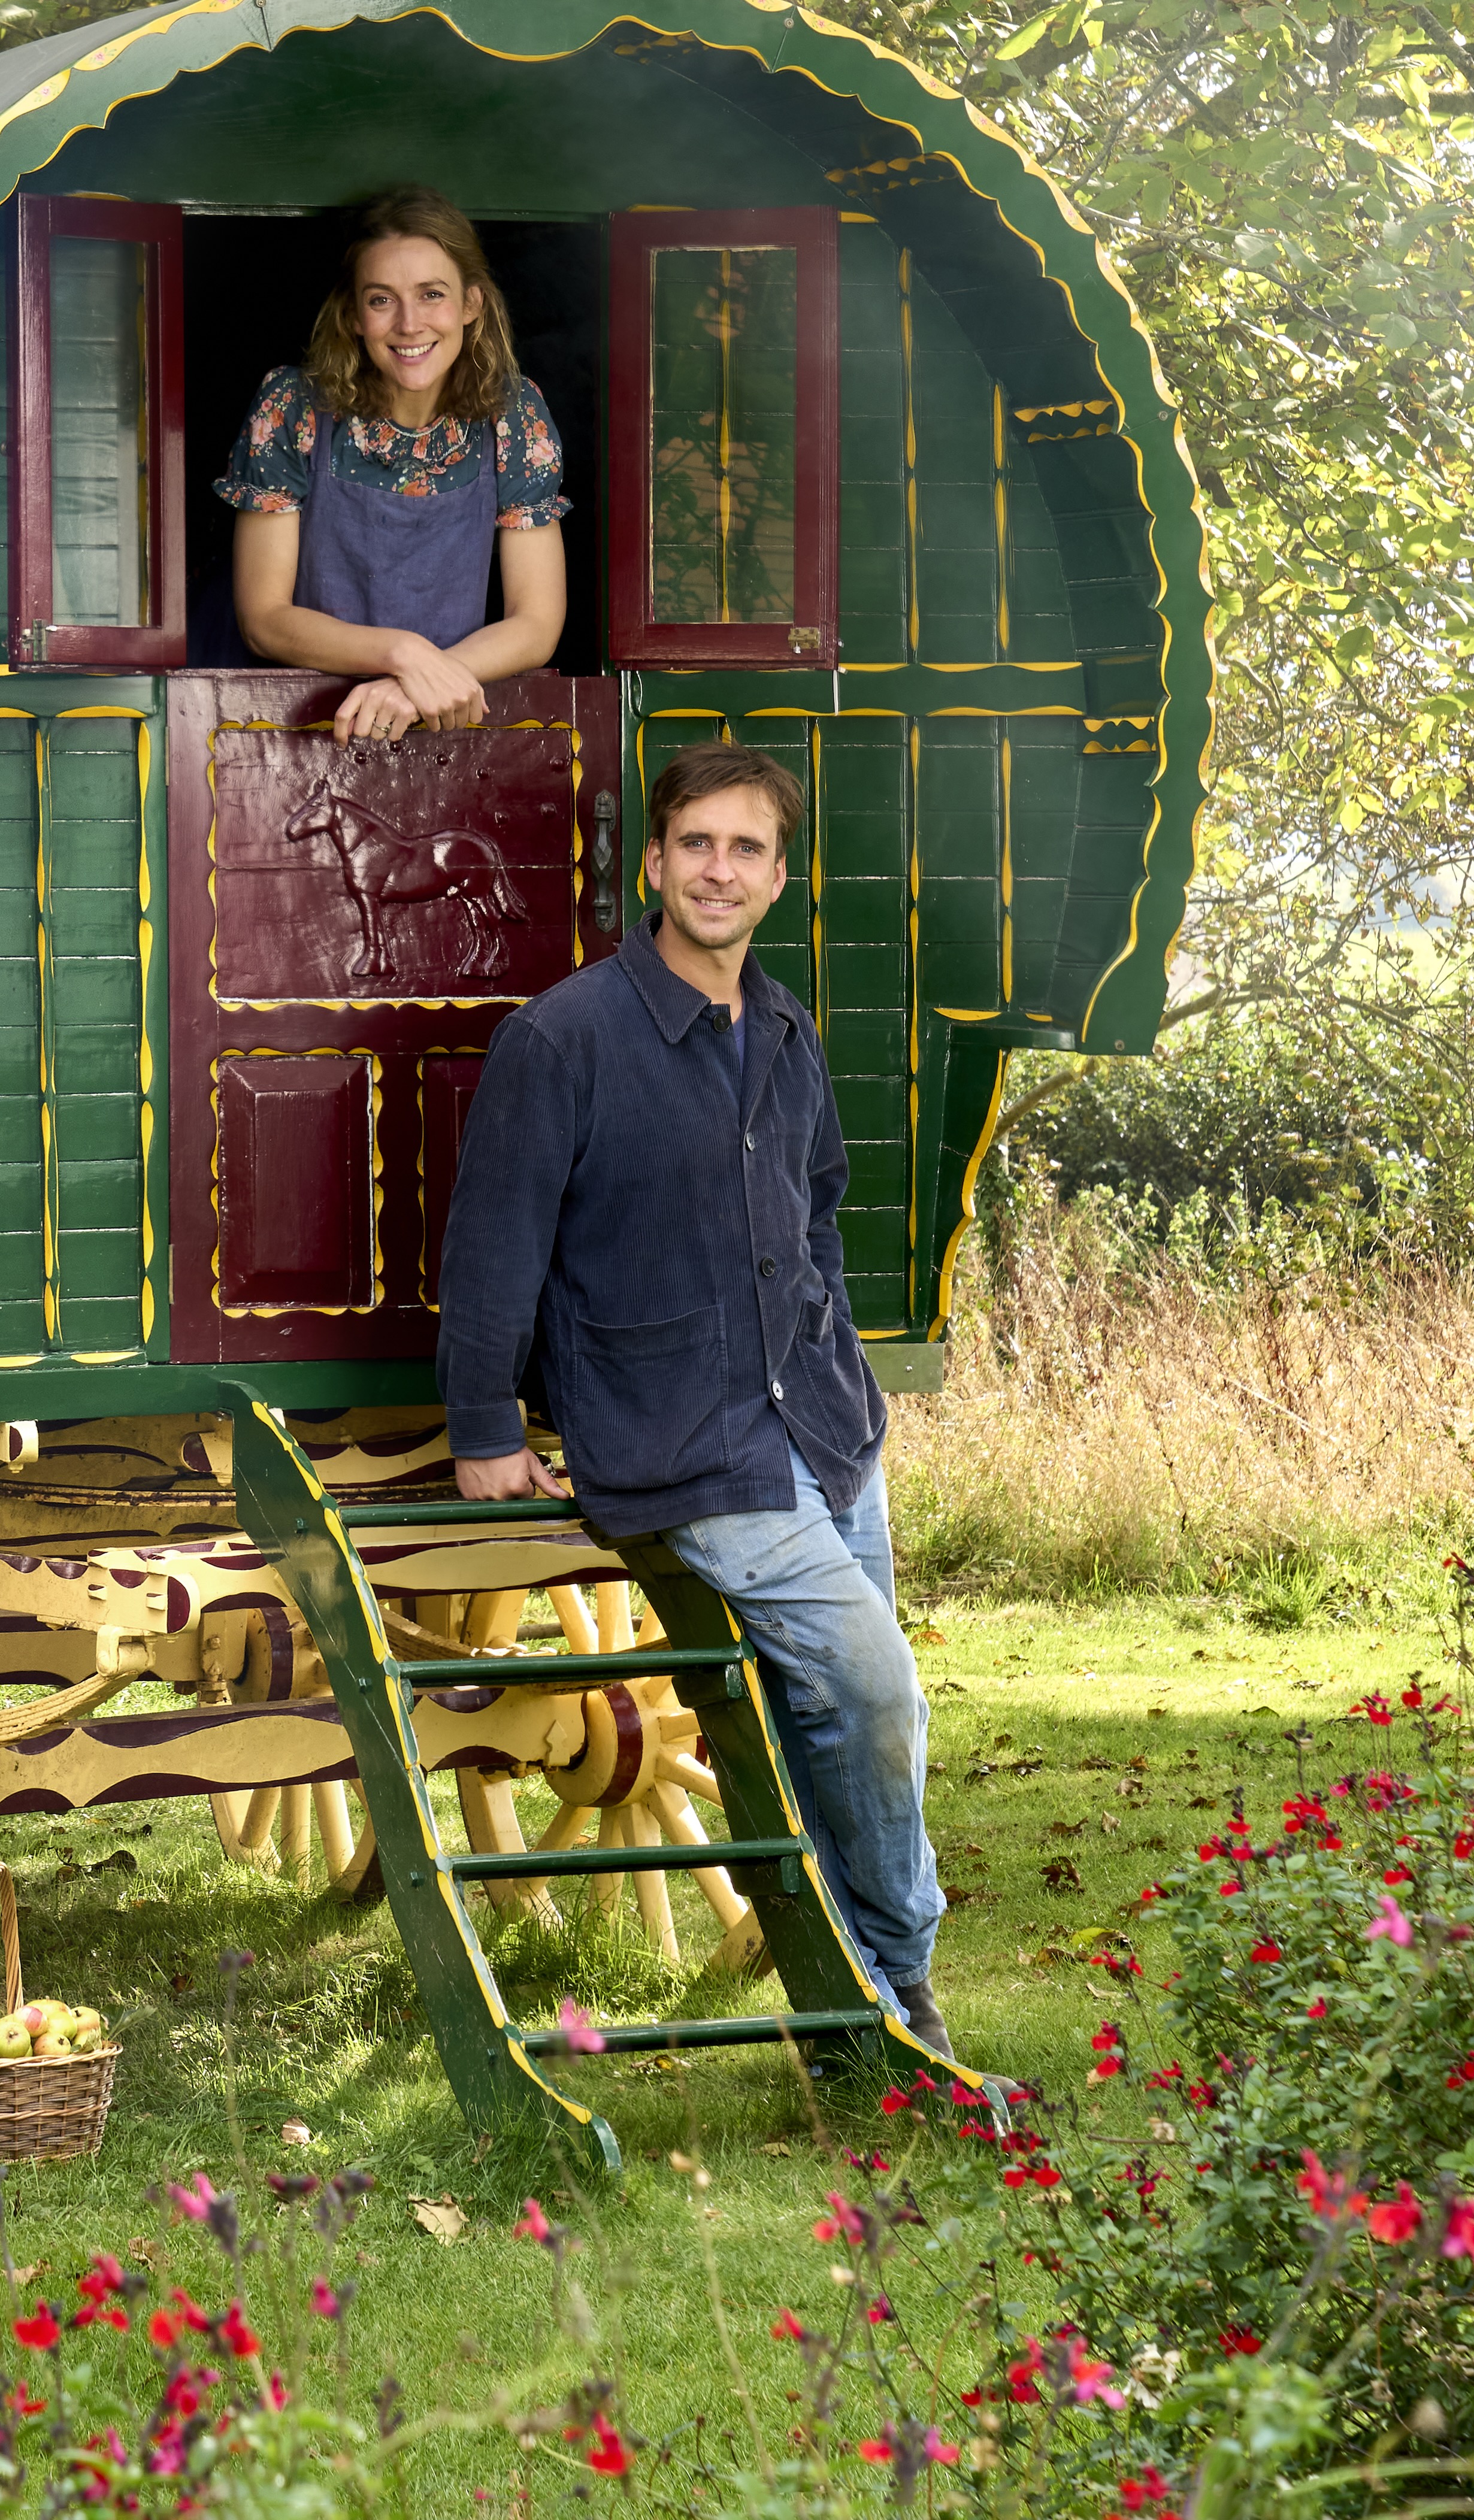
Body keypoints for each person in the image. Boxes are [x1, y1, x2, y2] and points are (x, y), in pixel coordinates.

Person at [431, 742, 953, 2057]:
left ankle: (860, 2019)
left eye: (747, 848)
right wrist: (483, 1424)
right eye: (697, 844)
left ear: (777, 878)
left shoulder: (782, 1029)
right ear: (655, 864)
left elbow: (816, 1214)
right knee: (876, 1693)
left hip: (824, 1428)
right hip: (681, 1438)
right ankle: (897, 1982)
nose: (720, 869)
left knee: (835, 1721)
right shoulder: (562, 1038)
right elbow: (493, 1246)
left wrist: (834, 1353)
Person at [217, 186, 568, 745]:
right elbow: (264, 619)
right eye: (382, 299)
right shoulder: (292, 407)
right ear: (354, 315)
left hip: (455, 726)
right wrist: (404, 655)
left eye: (432, 295)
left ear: (471, 304)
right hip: (303, 727)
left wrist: (419, 685)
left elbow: (537, 623)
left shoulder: (514, 414)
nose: (409, 323)